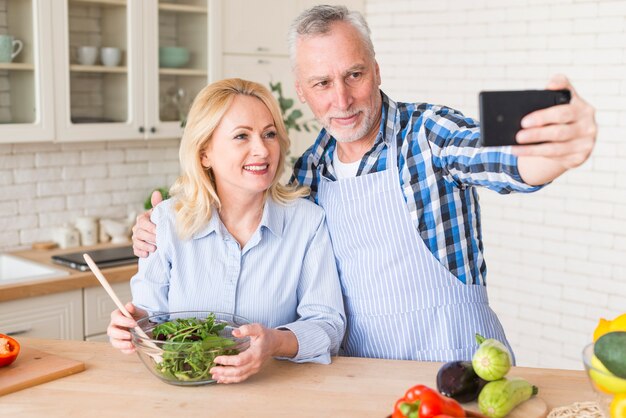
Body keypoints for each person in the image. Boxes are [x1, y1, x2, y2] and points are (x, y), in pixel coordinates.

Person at [132, 6, 597, 362]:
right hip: (361, 377)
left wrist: (551, 153)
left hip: (463, 364)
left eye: (354, 74)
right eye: (322, 83)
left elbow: (495, 159)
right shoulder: (308, 174)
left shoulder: (427, 134)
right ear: (301, 90)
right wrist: (158, 230)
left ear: (376, 69)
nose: (342, 99)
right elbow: (247, 225)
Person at [108, 78, 346, 384]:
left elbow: (327, 326)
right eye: (241, 136)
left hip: (273, 394)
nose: (261, 150)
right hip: (185, 395)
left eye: (269, 134)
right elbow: (151, 316)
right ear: (205, 153)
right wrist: (133, 325)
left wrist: (274, 342)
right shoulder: (167, 221)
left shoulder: (307, 223)